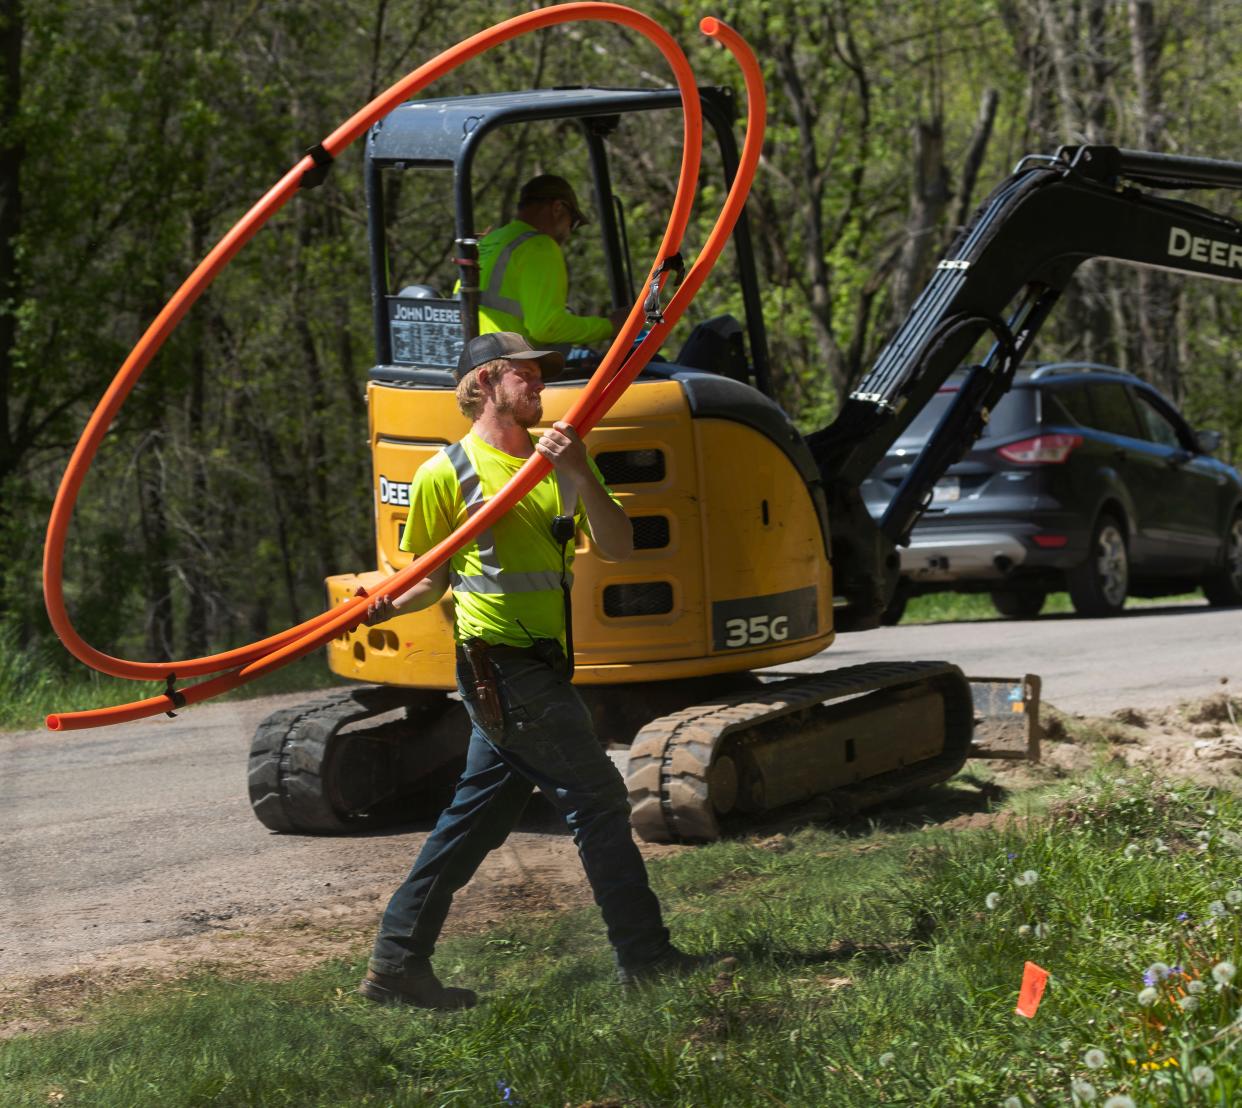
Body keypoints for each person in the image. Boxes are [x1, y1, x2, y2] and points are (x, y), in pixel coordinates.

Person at [358, 331, 713, 1009]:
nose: (544, 386)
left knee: (477, 817)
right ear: (488, 381)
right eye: (529, 376)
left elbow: (619, 543)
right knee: (601, 800)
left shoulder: (558, 459)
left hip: (543, 665)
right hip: (501, 668)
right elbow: (429, 581)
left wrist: (580, 470)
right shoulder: (446, 474)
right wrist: (376, 610)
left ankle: (397, 966)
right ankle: (646, 958)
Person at [474, 174, 628, 349]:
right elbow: (546, 328)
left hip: (477, 356)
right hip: (512, 363)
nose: (569, 233)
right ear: (558, 208)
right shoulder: (540, 245)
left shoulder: (491, 240)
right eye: (573, 223)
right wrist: (611, 326)